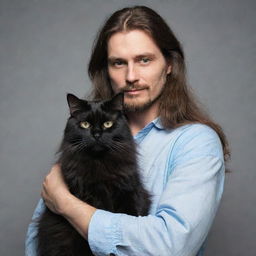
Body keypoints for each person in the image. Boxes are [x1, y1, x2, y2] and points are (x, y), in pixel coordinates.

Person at [26, 5, 230, 256]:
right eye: (118, 63)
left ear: (169, 65)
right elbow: (37, 240)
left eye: (144, 60)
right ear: (107, 70)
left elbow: (170, 246)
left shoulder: (196, 143)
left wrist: (65, 203)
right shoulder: (84, 135)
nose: (131, 76)